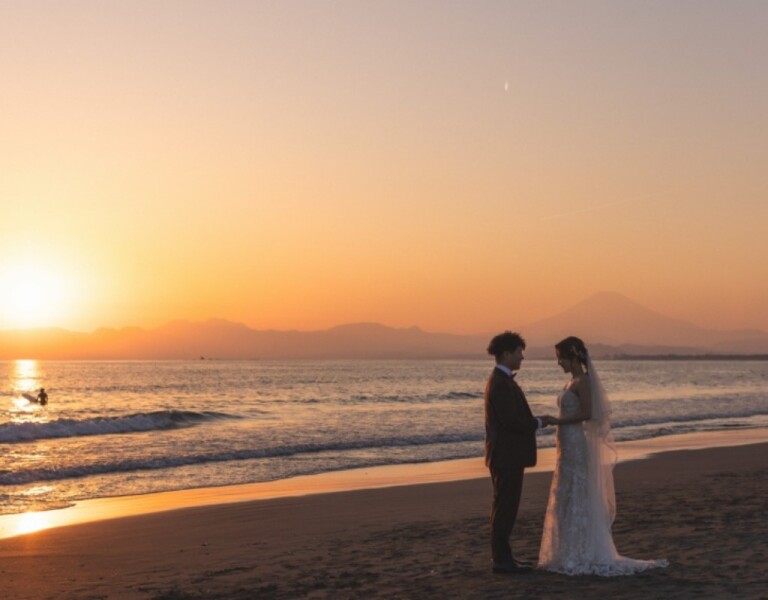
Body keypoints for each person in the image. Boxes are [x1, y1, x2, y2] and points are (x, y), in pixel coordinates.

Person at [538, 336, 668, 575]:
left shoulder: (584, 382)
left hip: (576, 442)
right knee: (566, 492)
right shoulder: (572, 382)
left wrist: (557, 420)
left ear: (573, 357)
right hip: (565, 442)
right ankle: (566, 550)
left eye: (561, 358)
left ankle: (580, 551)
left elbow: (588, 413)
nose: (559, 363)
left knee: (578, 491)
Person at [484, 331, 554, 575]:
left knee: (506, 507)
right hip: (506, 456)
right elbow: (511, 422)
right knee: (505, 508)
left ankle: (505, 558)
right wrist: (538, 422)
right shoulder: (500, 383)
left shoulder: (503, 381)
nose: (522, 357)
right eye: (518, 352)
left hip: (507, 455)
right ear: (506, 354)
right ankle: (502, 560)